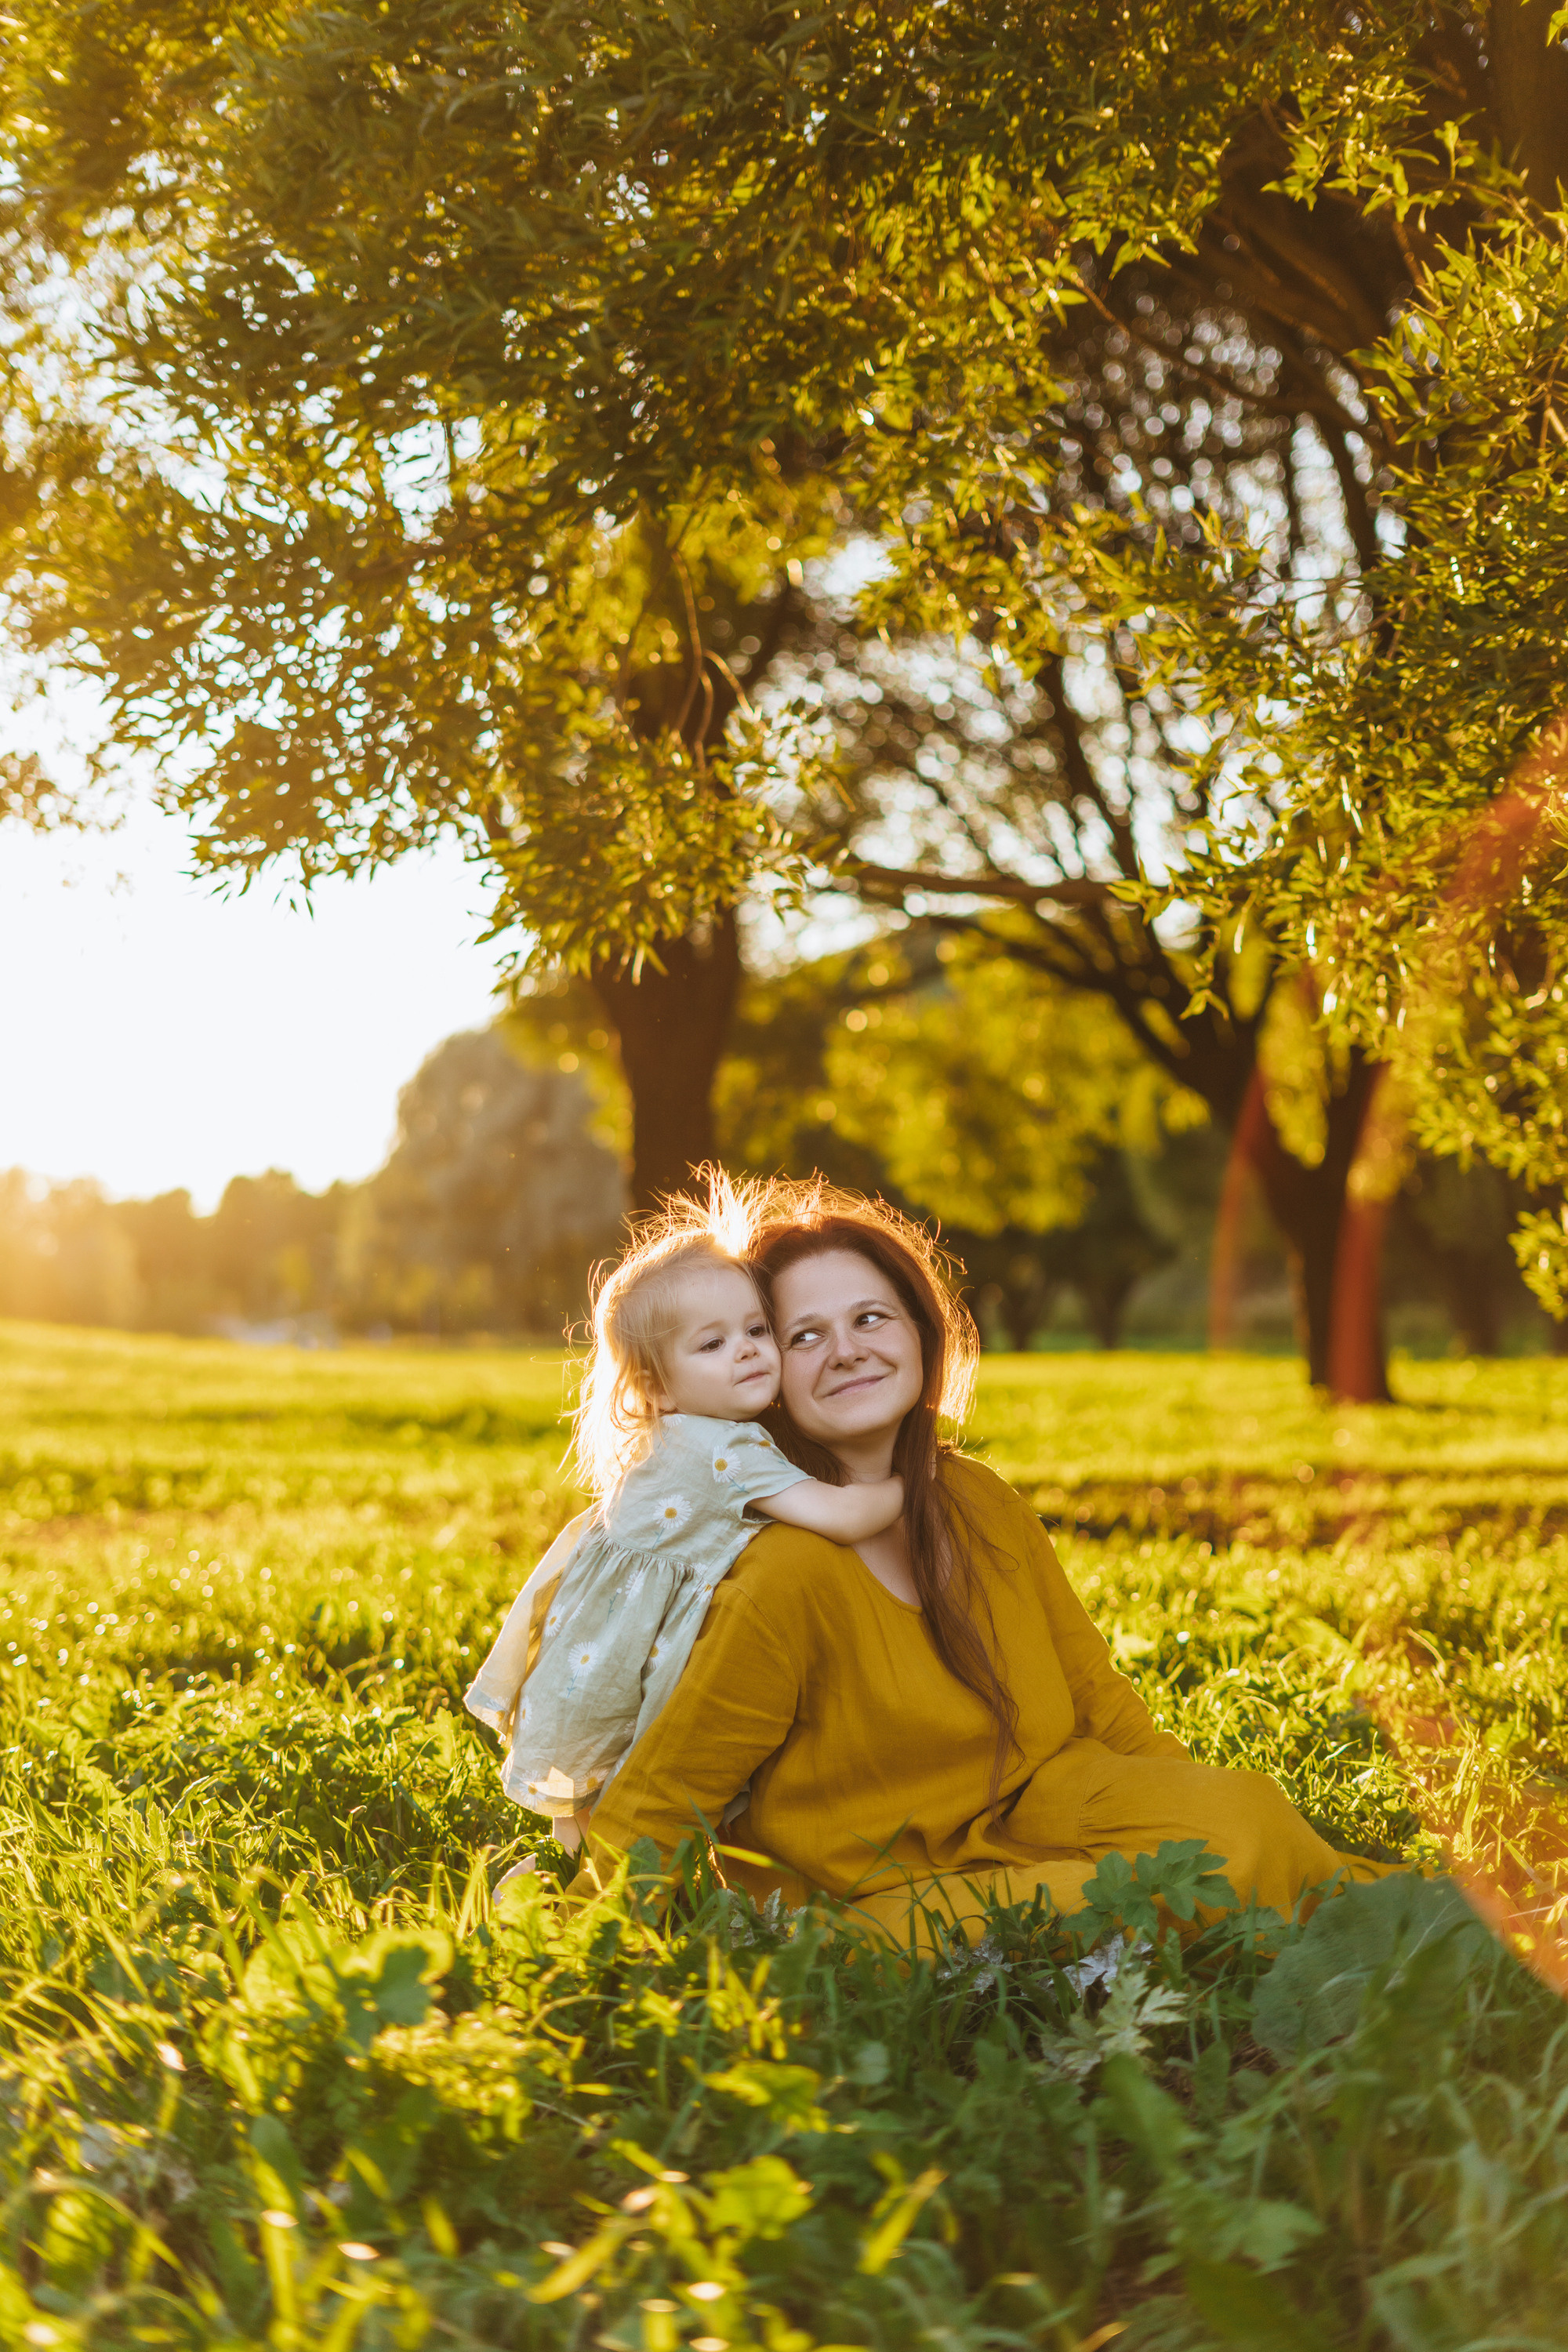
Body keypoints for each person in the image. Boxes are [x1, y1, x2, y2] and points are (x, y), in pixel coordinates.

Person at [570, 1178, 1393, 1944]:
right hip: (879, 1897)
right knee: (1154, 1885)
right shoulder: (782, 1571)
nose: (847, 1350)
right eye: (804, 1336)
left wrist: (1187, 1806)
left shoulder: (975, 1501)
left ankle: (1301, 1909)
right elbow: (664, 1795)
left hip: (1041, 1810)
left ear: (920, 1331)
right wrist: (587, 1943)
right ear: (763, 1374)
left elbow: (1095, 1699)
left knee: (1241, 1818)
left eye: (870, 1318)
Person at [464, 1180, 904, 1857]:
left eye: (757, 1330)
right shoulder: (728, 1448)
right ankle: (596, 1890)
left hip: (591, 1646)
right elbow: (841, 1516)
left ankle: (569, 1873)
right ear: (657, 1386)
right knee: (645, 1770)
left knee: (593, 1795)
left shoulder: (674, 1435)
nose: (749, 1351)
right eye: (713, 1345)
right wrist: (909, 1485)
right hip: (640, 1649)